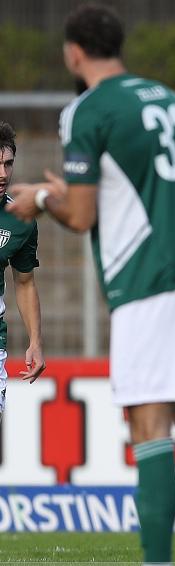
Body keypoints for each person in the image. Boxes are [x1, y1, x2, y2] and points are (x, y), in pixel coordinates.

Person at [9, 5, 175, 566]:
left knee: (148, 421)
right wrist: (61, 189)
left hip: (149, 276)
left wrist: (40, 201)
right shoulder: (163, 97)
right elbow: (132, 184)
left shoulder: (86, 109)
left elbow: (82, 217)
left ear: (74, 52)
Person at [0, 121, 47, 423]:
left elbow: (25, 283)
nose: (3, 174)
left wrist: (35, 340)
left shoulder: (20, 220)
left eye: (8, 164)